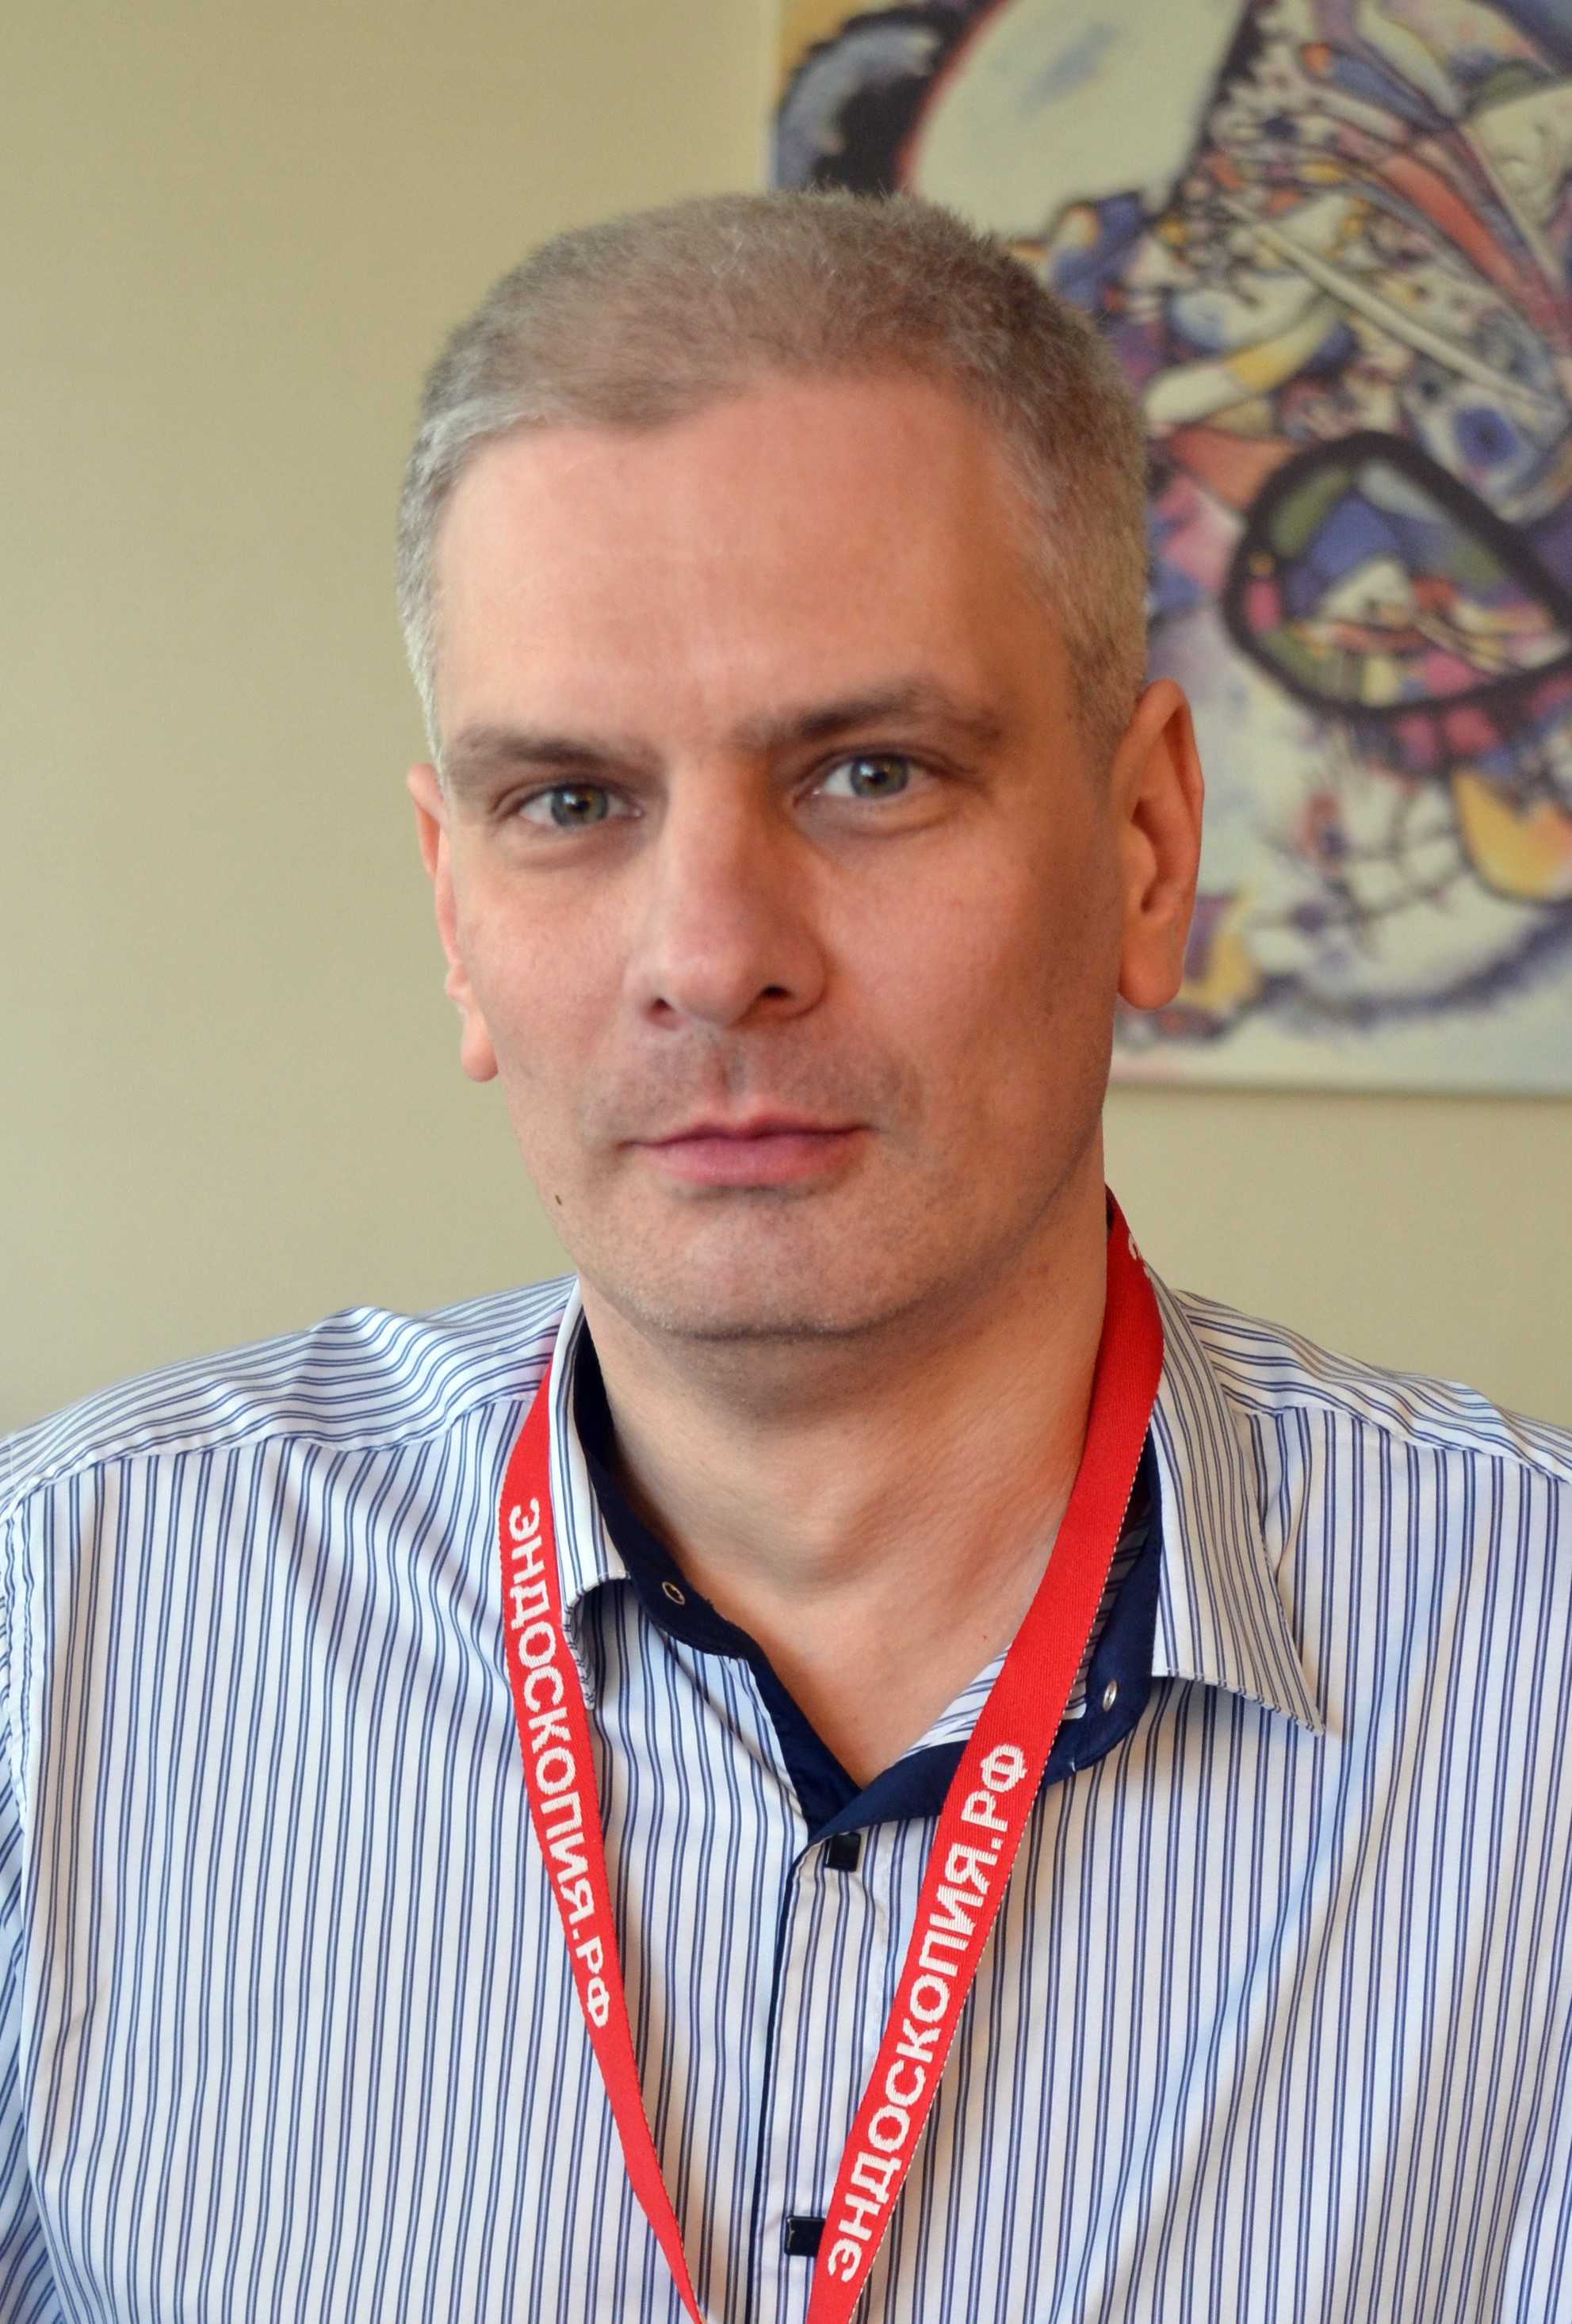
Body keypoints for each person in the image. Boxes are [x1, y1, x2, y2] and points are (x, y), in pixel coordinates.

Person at [2, 192, 1569, 2324]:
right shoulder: (62, 1631)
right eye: (571, 802)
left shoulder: (1537, 1689)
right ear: (454, 909)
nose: (712, 953)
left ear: (1146, 847)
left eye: (868, 772)